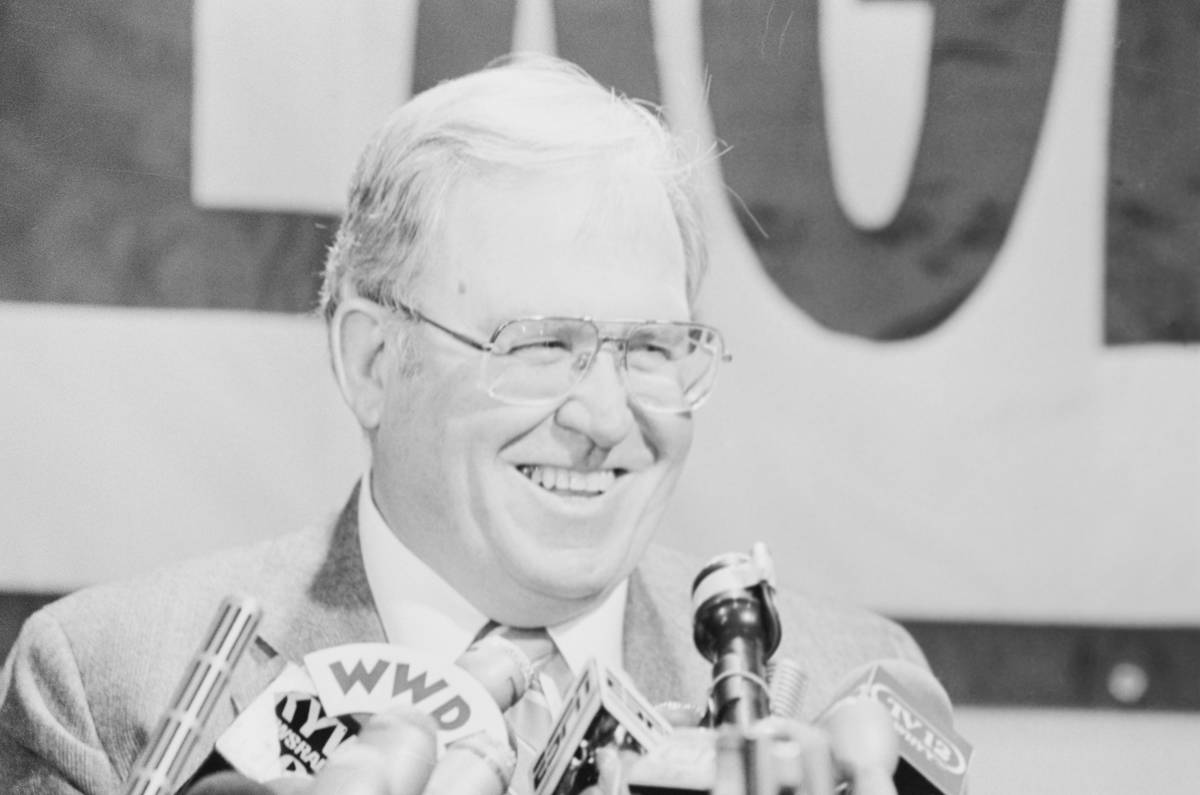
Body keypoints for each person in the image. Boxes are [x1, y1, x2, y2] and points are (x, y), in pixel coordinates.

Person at [0, 54, 928, 794]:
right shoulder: (113, 686)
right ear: (373, 362)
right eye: (541, 344)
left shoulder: (850, 691)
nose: (607, 417)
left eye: (651, 347)